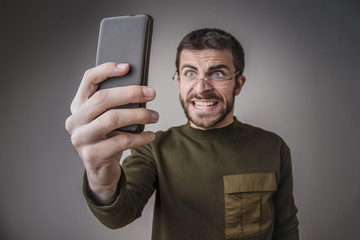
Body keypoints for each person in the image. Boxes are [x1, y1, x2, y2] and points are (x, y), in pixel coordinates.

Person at [65, 28, 299, 240]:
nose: (201, 88)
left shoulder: (273, 147)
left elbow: (286, 229)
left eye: (217, 74)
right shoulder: (153, 149)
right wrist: (100, 177)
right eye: (189, 73)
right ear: (178, 81)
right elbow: (118, 216)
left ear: (238, 84)